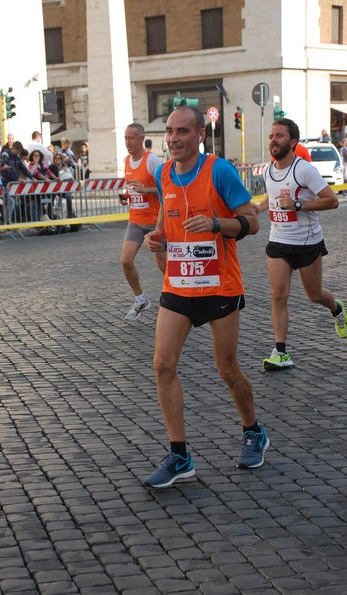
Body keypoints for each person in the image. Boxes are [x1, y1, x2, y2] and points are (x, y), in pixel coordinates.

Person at [143, 105, 268, 489]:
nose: (174, 138)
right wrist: (159, 236)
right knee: (163, 364)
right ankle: (179, 455)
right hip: (179, 283)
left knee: (227, 368)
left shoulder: (219, 170)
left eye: (183, 131)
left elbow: (251, 222)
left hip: (219, 284)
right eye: (169, 131)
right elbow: (167, 211)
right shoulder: (164, 172)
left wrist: (216, 223)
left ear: (200, 134)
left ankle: (253, 430)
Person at [253, 118, 346, 370]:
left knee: (314, 295)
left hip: (307, 243)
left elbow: (331, 201)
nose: (273, 140)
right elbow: (272, 196)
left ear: (293, 142)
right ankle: (280, 352)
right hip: (279, 241)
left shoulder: (303, 169)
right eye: (272, 135)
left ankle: (338, 309)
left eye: (279, 136)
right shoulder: (269, 169)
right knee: (278, 296)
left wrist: (298, 205)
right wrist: (259, 207)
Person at [120, 122, 166, 321]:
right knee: (125, 260)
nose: (128, 142)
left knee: (162, 265)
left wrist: (146, 190)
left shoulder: (152, 160)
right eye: (125, 138)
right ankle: (140, 299)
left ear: (141, 139)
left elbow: (167, 188)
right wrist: (126, 196)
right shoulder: (126, 161)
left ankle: (177, 296)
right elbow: (134, 190)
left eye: (131, 138)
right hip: (136, 220)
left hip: (156, 221)